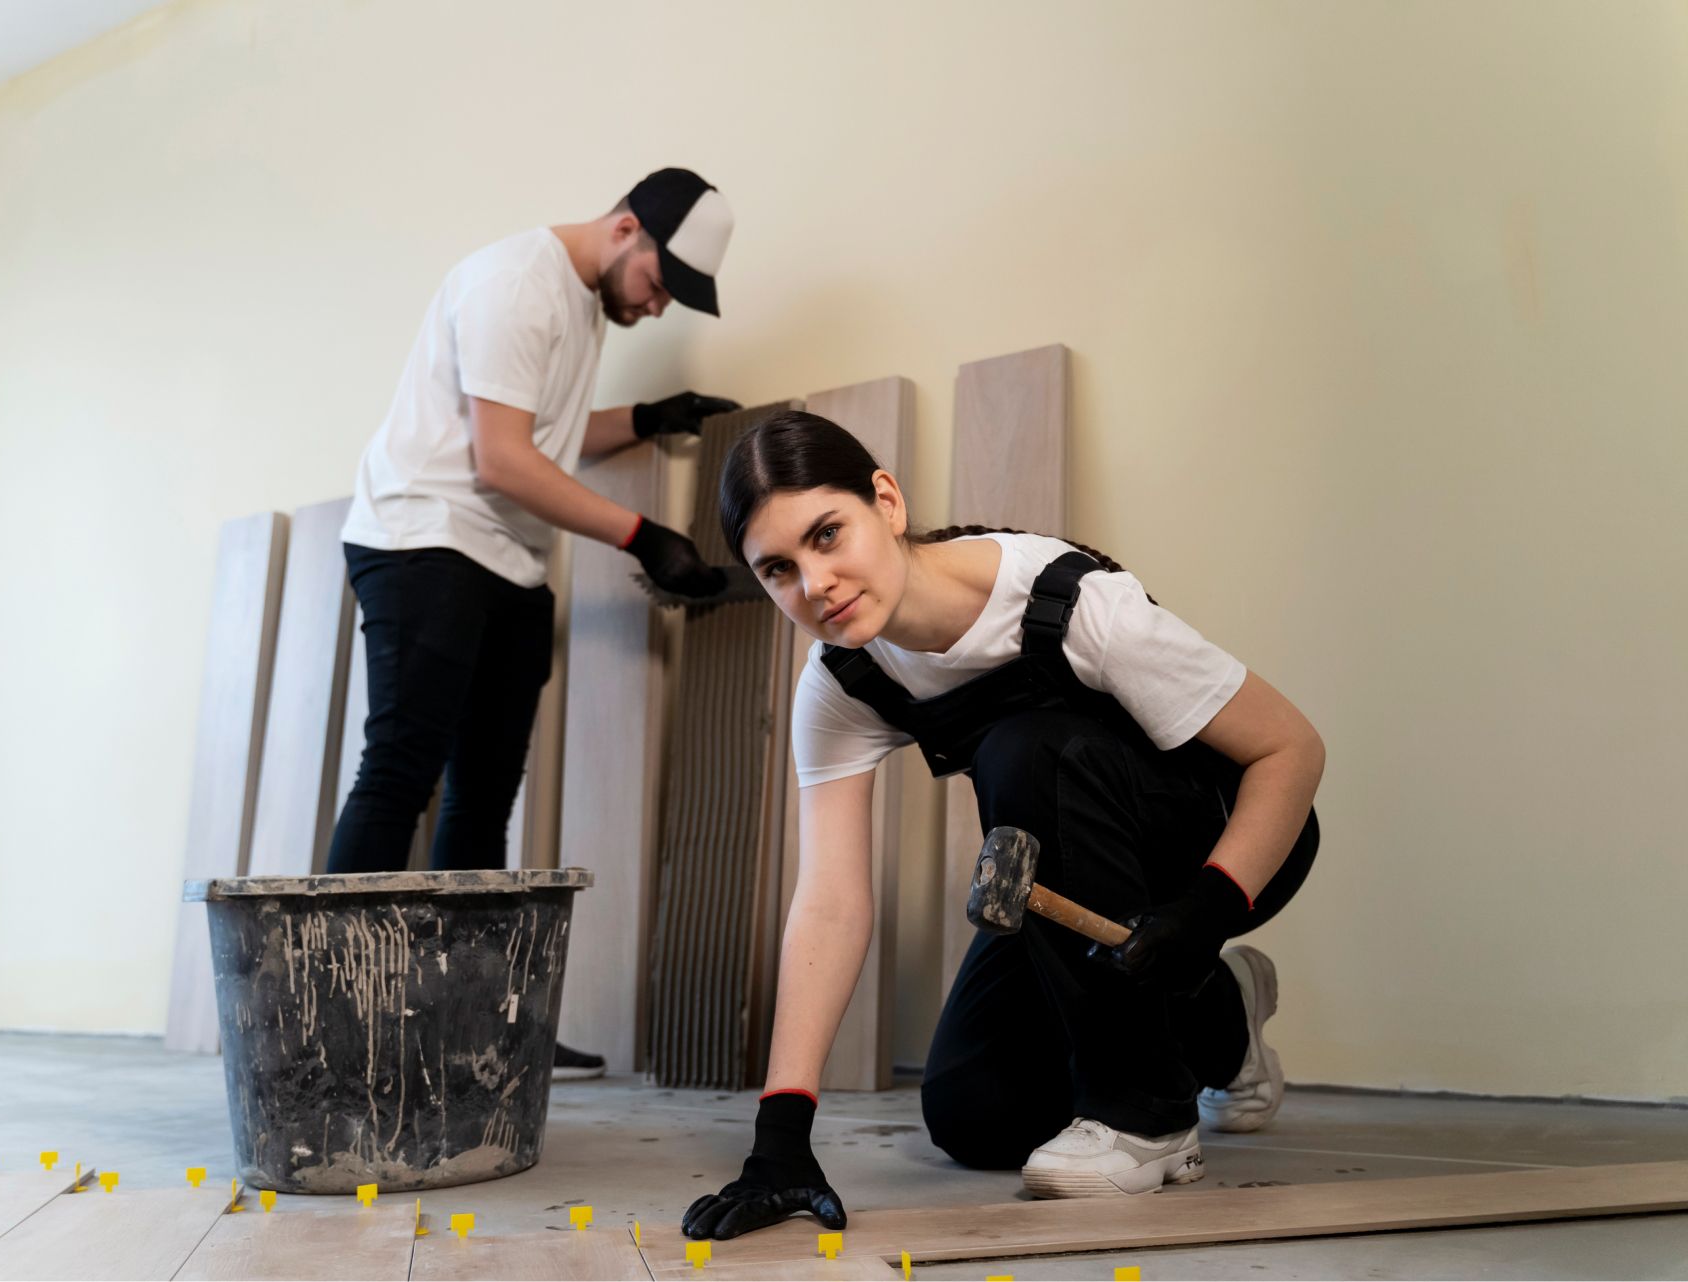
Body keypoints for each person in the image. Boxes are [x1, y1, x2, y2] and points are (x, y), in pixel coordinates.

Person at [684, 409, 1323, 1238]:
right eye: (778, 569)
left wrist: (1205, 912)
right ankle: (1220, 1015)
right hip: (1074, 879)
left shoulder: (1067, 600)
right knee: (973, 1114)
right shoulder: (844, 680)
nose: (816, 584)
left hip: (1224, 845)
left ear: (886, 501)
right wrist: (781, 1137)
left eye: (828, 534)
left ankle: (1148, 1116)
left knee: (1022, 752)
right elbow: (833, 902)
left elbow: (1289, 753)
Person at [331, 168, 742, 1080]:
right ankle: (335, 1025)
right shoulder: (515, 282)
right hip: (424, 540)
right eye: (660, 281)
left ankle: (477, 1029)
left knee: (482, 799)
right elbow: (504, 459)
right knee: (400, 774)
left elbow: (543, 434)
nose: (661, 304)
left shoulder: (582, 304)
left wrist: (646, 418)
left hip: (507, 560)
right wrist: (643, 535)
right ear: (627, 227)